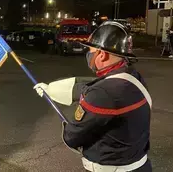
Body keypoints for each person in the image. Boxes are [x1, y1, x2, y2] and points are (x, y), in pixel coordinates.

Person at [34, 21, 152, 172]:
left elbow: (72, 137)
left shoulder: (103, 94)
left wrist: (66, 127)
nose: (88, 54)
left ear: (102, 54)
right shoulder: (134, 78)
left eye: (91, 50)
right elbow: (91, 86)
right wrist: (52, 89)